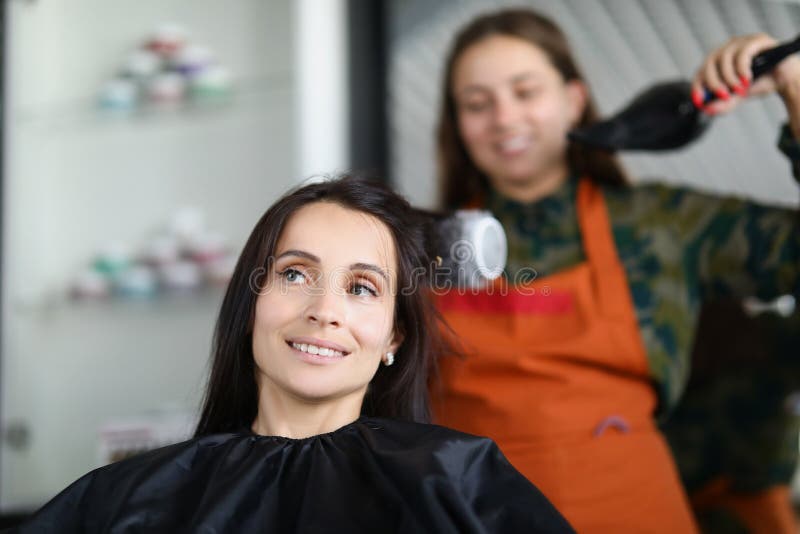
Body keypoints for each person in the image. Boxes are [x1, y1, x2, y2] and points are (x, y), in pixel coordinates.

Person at [11, 175, 574, 533]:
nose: (324, 310)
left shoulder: (458, 479)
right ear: (250, 303)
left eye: (361, 288)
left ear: (394, 338)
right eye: (296, 274)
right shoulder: (124, 499)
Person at [428, 8, 800, 533]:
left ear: (573, 101)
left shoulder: (663, 224)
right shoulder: (421, 249)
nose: (504, 118)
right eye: (476, 103)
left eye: (525, 92)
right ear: (458, 124)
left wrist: (793, 84)